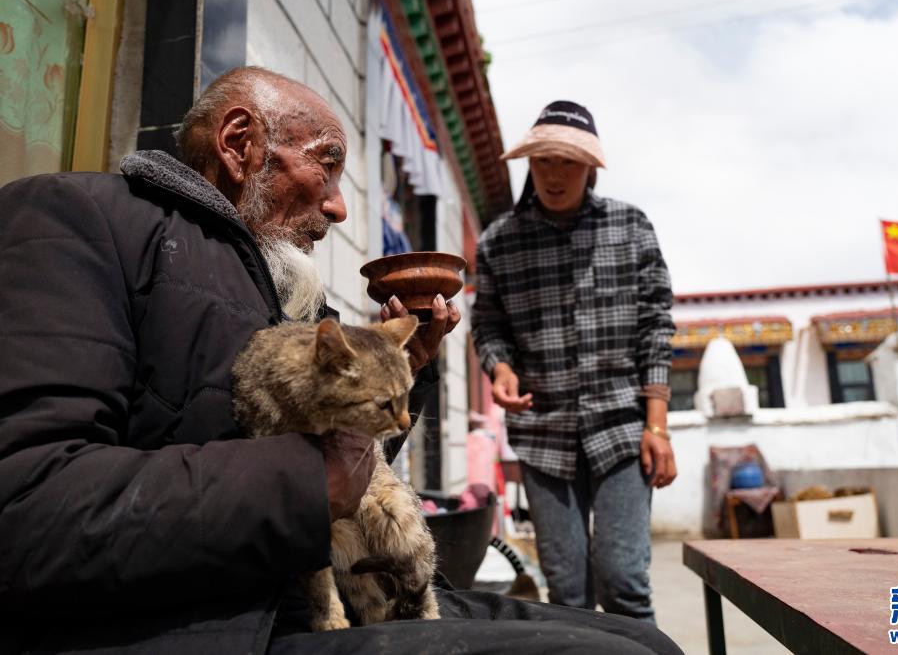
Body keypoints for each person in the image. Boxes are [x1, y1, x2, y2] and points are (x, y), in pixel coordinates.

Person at [0, 68, 681, 655]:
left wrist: (398, 374)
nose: (337, 205)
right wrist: (306, 479)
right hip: (221, 622)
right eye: (325, 165)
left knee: (645, 639)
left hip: (349, 592)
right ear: (239, 144)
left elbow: (344, 471)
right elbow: (25, 508)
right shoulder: (78, 217)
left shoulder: (283, 288)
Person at [471, 101, 678, 623]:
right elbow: (488, 326)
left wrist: (657, 425)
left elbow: (656, 327)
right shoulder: (498, 242)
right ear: (530, 164)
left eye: (569, 162)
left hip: (622, 430)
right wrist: (500, 369)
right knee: (566, 592)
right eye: (544, 160)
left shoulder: (630, 227)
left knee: (624, 581)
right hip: (543, 434)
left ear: (590, 168)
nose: (555, 175)